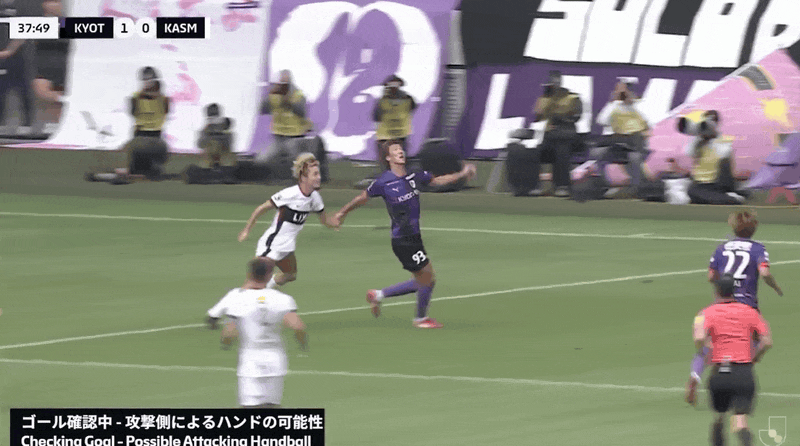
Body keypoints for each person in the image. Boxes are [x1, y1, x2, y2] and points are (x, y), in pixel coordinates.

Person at [329, 140, 477, 329]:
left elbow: (437, 180)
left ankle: (378, 295)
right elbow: (361, 198)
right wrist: (341, 213)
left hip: (414, 237)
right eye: (395, 150)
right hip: (403, 240)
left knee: (424, 279)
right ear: (388, 157)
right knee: (427, 279)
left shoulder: (414, 175)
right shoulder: (383, 181)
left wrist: (462, 174)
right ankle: (420, 319)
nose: (400, 152)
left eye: (401, 149)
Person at [685, 209, 783, 405]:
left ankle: (695, 375)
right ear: (754, 228)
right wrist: (776, 287)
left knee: (710, 342)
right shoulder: (757, 248)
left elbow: (711, 276)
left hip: (722, 302)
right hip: (747, 305)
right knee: (753, 343)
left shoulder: (722, 248)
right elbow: (764, 273)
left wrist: (723, 287)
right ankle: (738, 380)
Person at [693, 274, 772, 446]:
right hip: (743, 372)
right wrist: (756, 357)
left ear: (716, 291)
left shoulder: (706, 313)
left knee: (719, 417)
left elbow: (699, 337)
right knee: (740, 421)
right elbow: (767, 341)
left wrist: (706, 352)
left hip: (720, 372)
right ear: (734, 291)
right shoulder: (750, 311)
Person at [237, 153, 335, 290]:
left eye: (319, 173)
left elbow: (325, 220)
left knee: (290, 274)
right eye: (315, 174)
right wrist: (246, 230)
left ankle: (265, 289)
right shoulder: (289, 194)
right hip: (272, 245)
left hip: (287, 247)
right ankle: (240, 299)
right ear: (303, 177)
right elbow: (261, 208)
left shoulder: (315, 197)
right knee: (254, 281)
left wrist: (339, 219)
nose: (319, 177)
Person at [216, 259, 307, 408]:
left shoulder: (240, 298)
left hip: (250, 362)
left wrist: (225, 344)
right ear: (269, 275)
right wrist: (302, 344)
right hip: (275, 361)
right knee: (272, 406)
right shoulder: (283, 299)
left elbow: (229, 332)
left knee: (250, 407)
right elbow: (298, 326)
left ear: (249, 274)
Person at [528, 70, 583, 197]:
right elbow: (537, 116)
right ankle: (534, 185)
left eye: (553, 84)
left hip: (566, 134)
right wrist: (543, 105)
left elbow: (576, 116)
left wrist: (559, 118)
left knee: (561, 152)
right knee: (533, 152)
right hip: (548, 135)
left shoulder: (572, 97)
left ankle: (562, 185)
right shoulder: (544, 98)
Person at [594, 80, 650, 196]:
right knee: (596, 153)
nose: (623, 94)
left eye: (625, 91)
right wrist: (613, 102)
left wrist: (632, 104)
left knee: (634, 157)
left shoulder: (641, 105)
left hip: (635, 141)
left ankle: (635, 188)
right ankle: (606, 185)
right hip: (617, 140)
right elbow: (601, 121)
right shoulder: (614, 105)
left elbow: (649, 124)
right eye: (620, 91)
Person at [682, 110, 746, 205]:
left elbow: (724, 156)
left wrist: (713, 139)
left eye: (711, 120)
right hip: (700, 184)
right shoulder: (697, 141)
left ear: (717, 123)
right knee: (693, 192)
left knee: (697, 194)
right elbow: (688, 152)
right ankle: (727, 196)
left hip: (716, 184)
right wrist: (698, 137)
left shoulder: (723, 140)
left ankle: (730, 197)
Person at [257, 69, 312, 178]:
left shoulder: (297, 94)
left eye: (286, 82)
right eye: (281, 81)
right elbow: (263, 109)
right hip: (278, 136)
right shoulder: (274, 94)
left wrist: (289, 102)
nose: (283, 84)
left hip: (294, 136)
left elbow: (302, 112)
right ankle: (273, 175)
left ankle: (301, 175)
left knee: (297, 162)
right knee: (261, 160)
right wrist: (269, 95)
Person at [32, 0, 70, 134]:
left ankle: (59, 125)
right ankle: (43, 125)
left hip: (62, 65)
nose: (50, 5)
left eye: (55, 2)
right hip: (43, 65)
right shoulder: (38, 22)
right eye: (48, 2)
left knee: (59, 97)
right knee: (42, 93)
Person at [0, 0, 33, 135]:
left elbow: (22, 34)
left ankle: (26, 124)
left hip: (16, 60)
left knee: (21, 90)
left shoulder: (19, 10)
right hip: (4, 57)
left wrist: (9, 51)